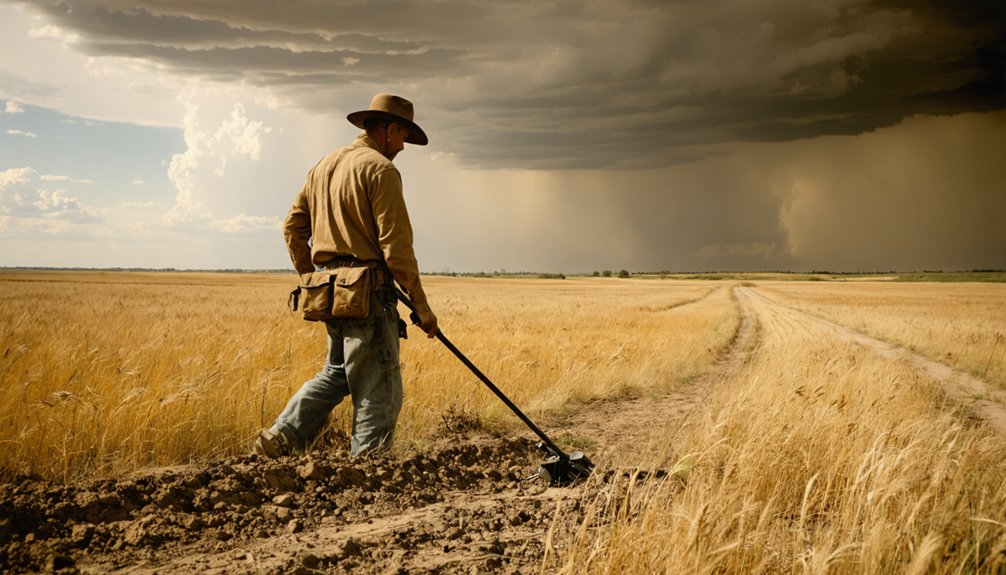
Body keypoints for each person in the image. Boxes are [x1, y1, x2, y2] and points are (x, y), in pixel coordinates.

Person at [254, 93, 439, 458]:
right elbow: (396, 250)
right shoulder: (380, 169)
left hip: (330, 293)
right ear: (389, 131)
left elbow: (292, 228)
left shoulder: (323, 166)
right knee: (379, 384)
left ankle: (280, 437)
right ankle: (370, 467)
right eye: (402, 137)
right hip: (368, 295)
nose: (402, 147)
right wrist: (422, 306)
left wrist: (313, 278)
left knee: (337, 372)